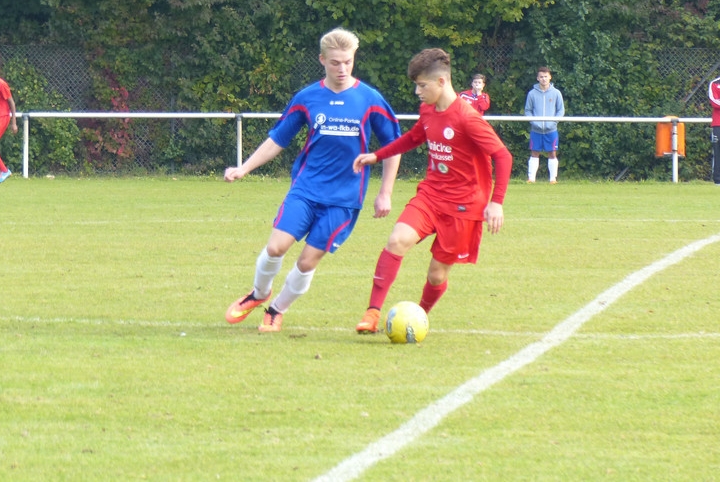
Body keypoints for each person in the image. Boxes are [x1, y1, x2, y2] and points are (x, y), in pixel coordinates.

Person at [223, 27, 402, 333]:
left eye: (348, 62)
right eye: (335, 62)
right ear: (322, 60)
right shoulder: (307, 97)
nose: (342, 68)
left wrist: (385, 193)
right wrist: (245, 168)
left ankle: (276, 310)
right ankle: (259, 293)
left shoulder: (370, 99)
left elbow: (393, 147)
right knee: (276, 247)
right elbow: (278, 139)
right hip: (306, 190)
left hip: (344, 199)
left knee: (307, 262)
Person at [352, 48, 512, 333]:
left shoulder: (467, 118)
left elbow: (503, 155)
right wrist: (377, 156)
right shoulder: (428, 110)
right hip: (431, 196)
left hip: (464, 206)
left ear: (441, 82)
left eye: (422, 85)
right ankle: (372, 313)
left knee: (437, 275)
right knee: (397, 240)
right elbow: (413, 138)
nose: (417, 92)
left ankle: (417, 318)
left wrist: (496, 202)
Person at [524, 66, 564, 183]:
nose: (544, 79)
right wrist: (534, 122)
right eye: (541, 77)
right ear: (537, 78)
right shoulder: (532, 94)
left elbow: (560, 110)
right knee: (534, 152)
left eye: (546, 76)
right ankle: (531, 179)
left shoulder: (556, 93)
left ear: (550, 77)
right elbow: (528, 111)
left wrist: (553, 122)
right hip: (536, 130)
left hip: (551, 130)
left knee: (552, 153)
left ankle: (553, 179)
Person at [710, 75, 720, 185]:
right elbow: (714, 101)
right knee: (717, 152)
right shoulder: (715, 83)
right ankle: (718, 180)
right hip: (718, 124)